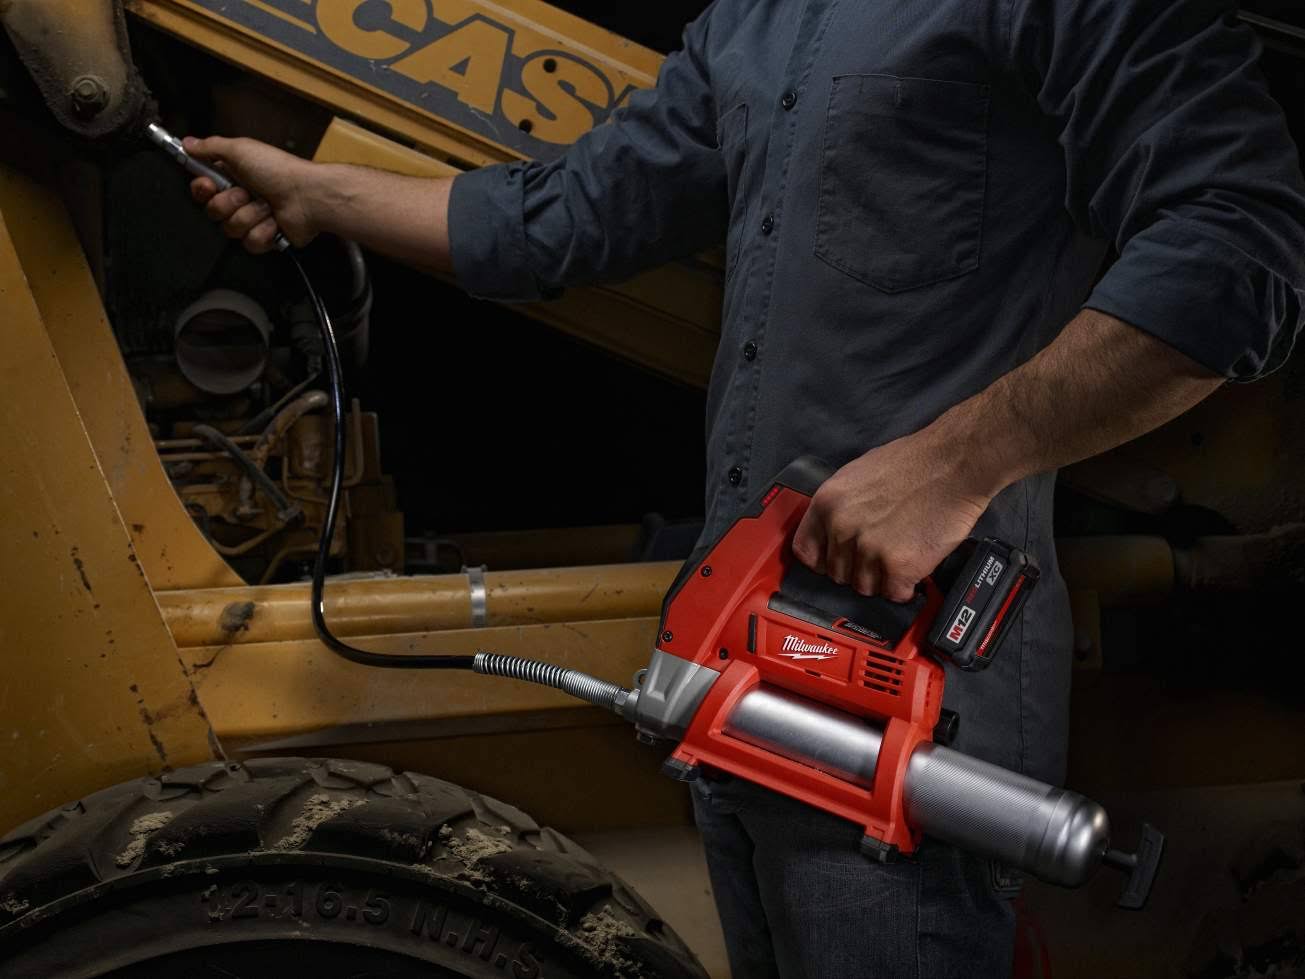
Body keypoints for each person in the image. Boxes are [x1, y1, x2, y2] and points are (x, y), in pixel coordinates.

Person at [186, 0, 1305, 973]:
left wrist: (954, 466)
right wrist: (316, 194)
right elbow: (558, 219)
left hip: (912, 689)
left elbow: (1238, 253)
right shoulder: (754, 24)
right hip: (735, 670)